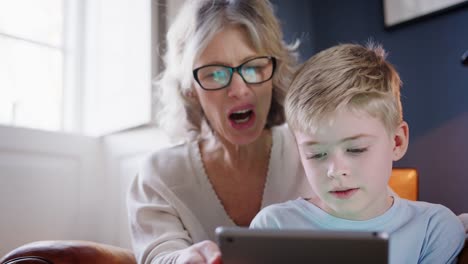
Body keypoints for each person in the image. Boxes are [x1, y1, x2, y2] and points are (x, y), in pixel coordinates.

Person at [126, 0, 313, 263]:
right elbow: (160, 256)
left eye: (252, 67)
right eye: (215, 73)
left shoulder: (315, 151)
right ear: (190, 87)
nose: (239, 89)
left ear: (273, 73)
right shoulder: (159, 176)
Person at [250, 43, 466, 263]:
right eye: (316, 154)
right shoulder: (273, 227)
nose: (336, 171)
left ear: (397, 142)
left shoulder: (433, 228)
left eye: (356, 149)